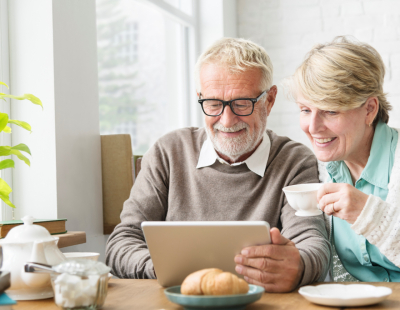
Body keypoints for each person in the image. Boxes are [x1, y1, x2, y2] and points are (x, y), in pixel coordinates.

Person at [106, 38, 330, 292]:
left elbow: (313, 245)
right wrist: (164, 269)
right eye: (213, 104)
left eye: (242, 103)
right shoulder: (168, 152)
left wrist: (299, 267)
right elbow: (121, 244)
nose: (227, 119)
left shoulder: (295, 160)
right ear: (200, 98)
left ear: (269, 100)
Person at [287, 36, 400, 282]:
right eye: (306, 110)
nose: (313, 127)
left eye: (330, 110)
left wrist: (369, 214)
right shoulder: (319, 170)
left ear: (369, 109)